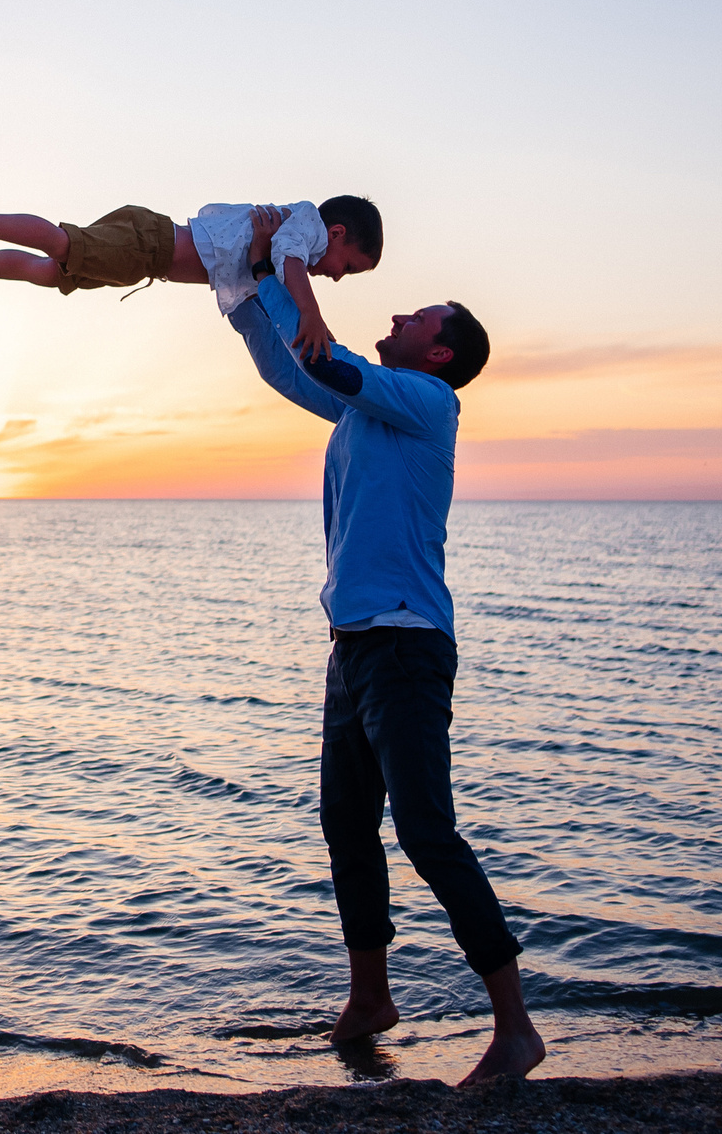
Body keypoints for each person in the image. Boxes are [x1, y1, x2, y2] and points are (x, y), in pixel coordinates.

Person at [228, 206, 545, 1087]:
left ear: (439, 353)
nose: (399, 317)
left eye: (417, 320)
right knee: (346, 827)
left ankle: (515, 1026)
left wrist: (293, 262)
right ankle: (372, 998)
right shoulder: (368, 412)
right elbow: (300, 366)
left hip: (406, 646)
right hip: (355, 647)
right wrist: (246, 279)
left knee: (426, 830)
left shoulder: (428, 400)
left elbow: (328, 356)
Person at [0, 194, 381, 359]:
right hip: (150, 243)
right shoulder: (307, 225)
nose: (338, 277)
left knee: (50, 273)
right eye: (349, 268)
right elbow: (292, 262)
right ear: (336, 234)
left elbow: (269, 274)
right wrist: (312, 317)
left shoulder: (292, 233)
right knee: (61, 245)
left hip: (147, 256)